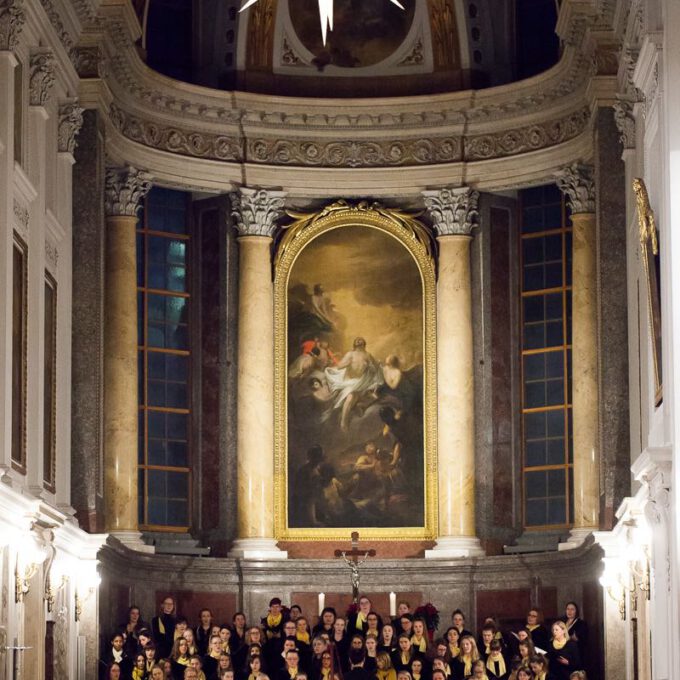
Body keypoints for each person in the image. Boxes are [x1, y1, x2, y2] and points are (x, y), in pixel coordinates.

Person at [324, 337, 383, 431]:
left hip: (360, 382)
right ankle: (343, 421)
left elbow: (376, 367)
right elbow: (339, 366)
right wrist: (347, 363)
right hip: (349, 382)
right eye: (358, 342)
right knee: (351, 396)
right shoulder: (350, 354)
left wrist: (372, 366)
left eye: (361, 342)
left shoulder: (367, 355)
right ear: (356, 346)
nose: (359, 343)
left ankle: (355, 410)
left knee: (362, 396)